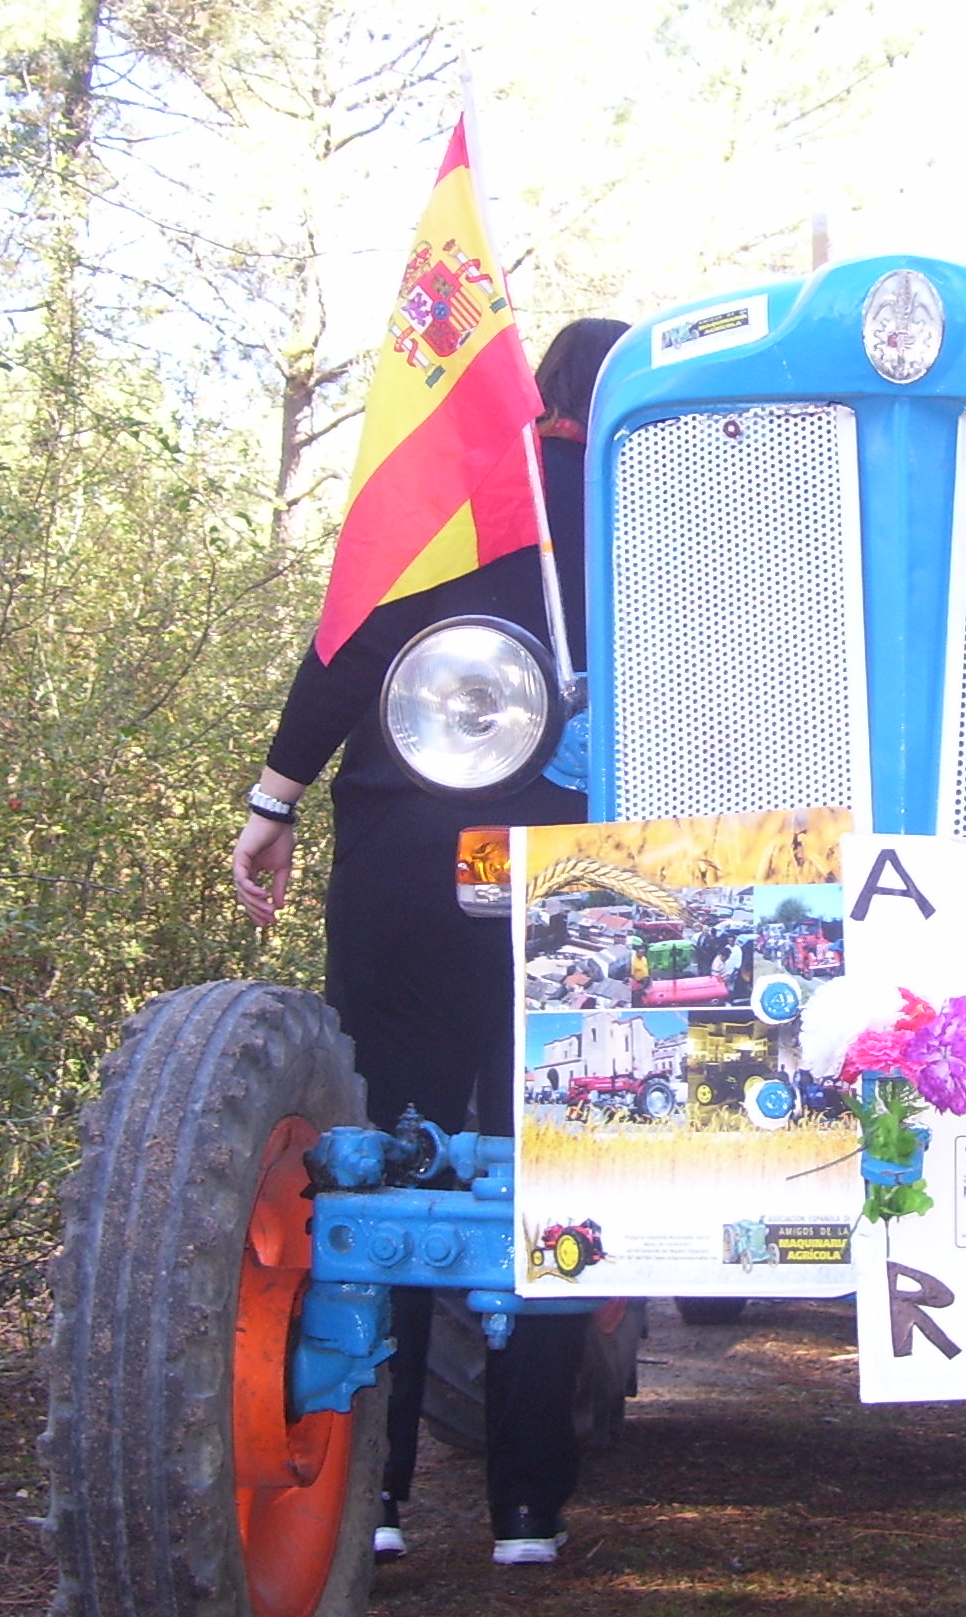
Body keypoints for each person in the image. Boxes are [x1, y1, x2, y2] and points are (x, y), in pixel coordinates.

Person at [232, 316, 630, 1568]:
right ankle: (528, 1508)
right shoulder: (670, 514)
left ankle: (380, 1494)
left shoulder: (456, 500)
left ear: (532, 392)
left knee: (386, 1159)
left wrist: (274, 800)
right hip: (598, 870)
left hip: (416, 868)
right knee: (562, 1153)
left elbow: (349, 644)